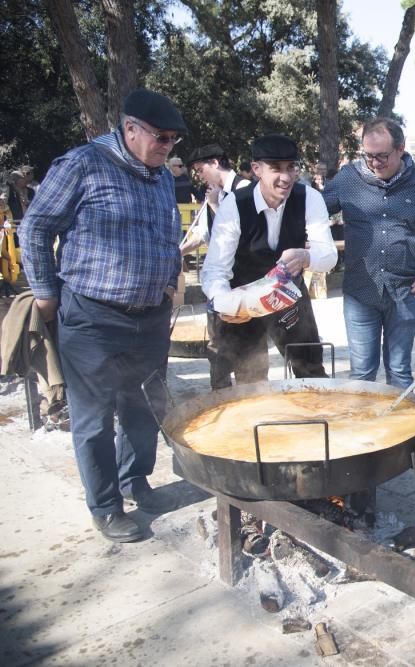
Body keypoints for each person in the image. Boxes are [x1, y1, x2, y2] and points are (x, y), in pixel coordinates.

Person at [18, 89, 188, 542]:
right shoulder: (82, 164)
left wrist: (170, 281)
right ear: (130, 128)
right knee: (93, 417)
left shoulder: (161, 177)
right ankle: (106, 506)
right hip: (93, 317)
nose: (167, 147)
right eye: (161, 137)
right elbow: (35, 226)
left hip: (149, 317)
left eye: (173, 140)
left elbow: (167, 235)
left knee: (142, 407)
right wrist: (45, 292)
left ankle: (137, 482)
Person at [323, 118, 415, 388]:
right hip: (360, 292)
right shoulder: (348, 178)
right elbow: (313, 214)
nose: (374, 163)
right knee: (361, 374)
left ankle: (404, 432)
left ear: (401, 149)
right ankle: (364, 430)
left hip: (406, 292)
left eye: (382, 156)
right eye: (368, 156)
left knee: (399, 372)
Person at [201, 134, 337, 384]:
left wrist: (306, 256)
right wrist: (223, 302)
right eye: (276, 168)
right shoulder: (234, 205)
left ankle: (314, 419)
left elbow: (328, 255)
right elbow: (215, 269)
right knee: (249, 377)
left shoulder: (309, 198)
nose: (285, 177)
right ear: (257, 169)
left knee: (310, 368)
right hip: (243, 300)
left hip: (289, 296)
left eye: (291, 168)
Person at [183, 143, 253, 390]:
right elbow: (203, 235)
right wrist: (178, 252)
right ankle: (221, 397)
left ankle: (251, 399)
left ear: (214, 163)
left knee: (248, 349)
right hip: (218, 285)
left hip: (244, 284)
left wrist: (215, 206)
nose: (199, 176)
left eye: (200, 169)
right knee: (218, 348)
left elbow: (246, 233)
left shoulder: (246, 189)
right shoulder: (211, 194)